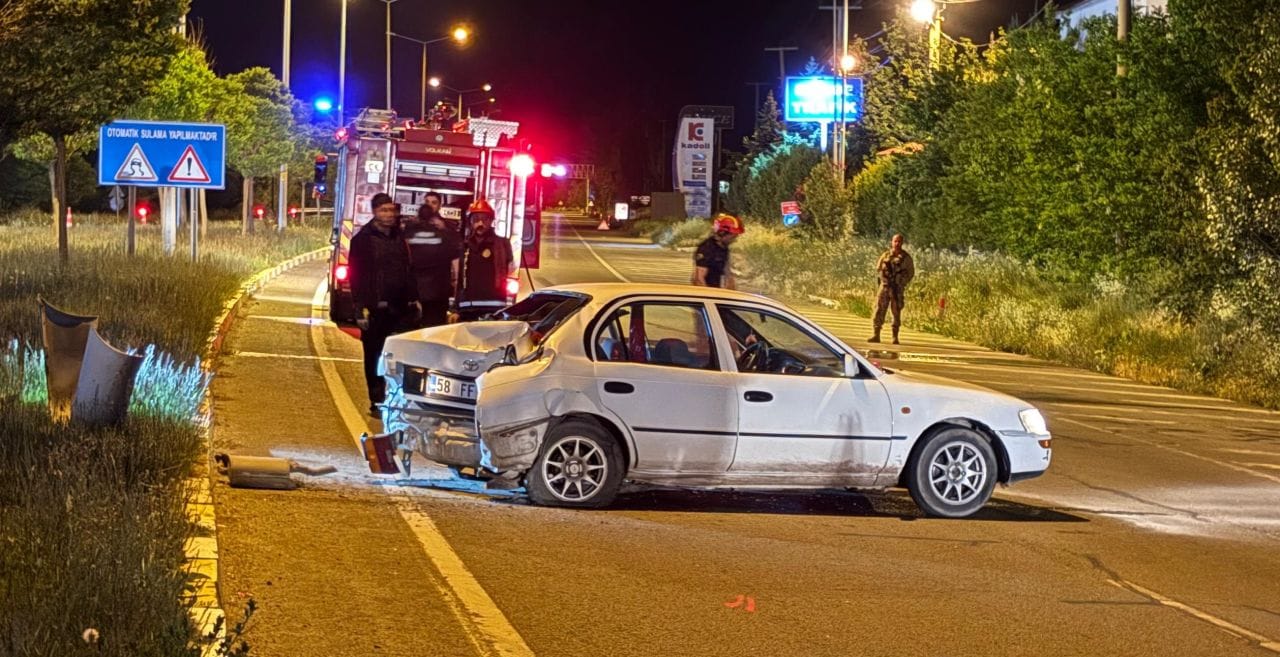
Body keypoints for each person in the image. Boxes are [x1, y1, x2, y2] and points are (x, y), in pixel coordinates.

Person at [348, 193, 420, 416]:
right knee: (374, 356)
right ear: (375, 212)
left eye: (391, 210)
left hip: (399, 307)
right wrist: (359, 308)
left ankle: (398, 399)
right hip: (375, 308)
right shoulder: (362, 240)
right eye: (384, 211)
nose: (389, 215)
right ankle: (377, 400)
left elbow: (409, 270)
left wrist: (414, 298)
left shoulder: (400, 237)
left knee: (400, 355)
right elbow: (356, 276)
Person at [403, 192, 462, 328]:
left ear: (440, 206)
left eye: (433, 202)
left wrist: (456, 287)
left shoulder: (446, 229)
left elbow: (456, 260)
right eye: (427, 201)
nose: (429, 205)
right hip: (416, 290)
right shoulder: (411, 227)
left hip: (437, 290)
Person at [456, 199, 513, 321]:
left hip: (493, 308)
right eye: (476, 219)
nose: (480, 223)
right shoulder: (464, 245)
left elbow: (508, 270)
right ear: (470, 222)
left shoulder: (502, 244)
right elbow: (458, 277)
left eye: (485, 219)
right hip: (467, 308)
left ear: (491, 221)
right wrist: (456, 308)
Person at [869, 233, 915, 345]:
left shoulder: (906, 258)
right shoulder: (885, 255)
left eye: (899, 241)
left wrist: (901, 282)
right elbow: (878, 269)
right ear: (892, 242)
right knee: (879, 309)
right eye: (895, 241)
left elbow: (910, 273)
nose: (897, 244)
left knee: (896, 311)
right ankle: (876, 334)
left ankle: (895, 337)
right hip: (885, 287)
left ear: (902, 243)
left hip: (897, 289)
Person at [692, 213, 744, 289]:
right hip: (705, 295)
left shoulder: (723, 248)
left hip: (715, 292)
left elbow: (728, 274)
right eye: (732, 237)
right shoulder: (706, 249)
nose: (734, 240)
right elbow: (698, 280)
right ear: (722, 233)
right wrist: (711, 298)